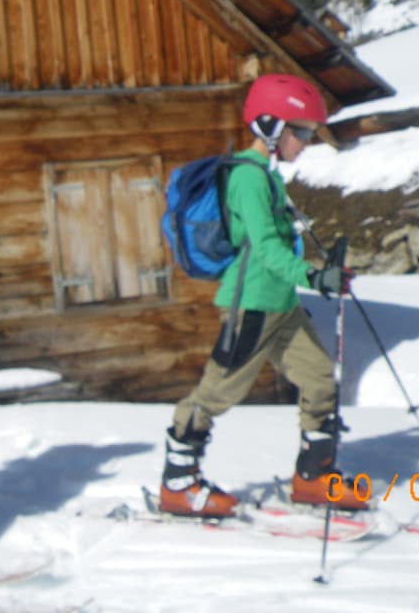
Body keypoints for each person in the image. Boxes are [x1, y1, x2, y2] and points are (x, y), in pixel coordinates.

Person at [160, 73, 364, 517]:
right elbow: (267, 250)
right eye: (301, 132)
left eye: (310, 133)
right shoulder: (248, 179)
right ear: (270, 126)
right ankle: (178, 483)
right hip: (252, 303)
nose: (306, 143)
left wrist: (322, 271)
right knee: (218, 393)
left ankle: (313, 478)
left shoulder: (267, 177)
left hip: (281, 303)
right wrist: (315, 279)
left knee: (319, 379)